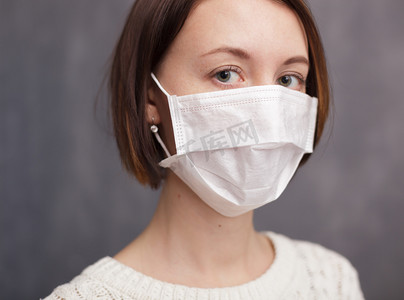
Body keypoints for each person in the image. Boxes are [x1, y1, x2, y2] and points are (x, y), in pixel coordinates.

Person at [44, 0, 365, 299]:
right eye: (226, 74)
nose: (267, 113)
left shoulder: (330, 281)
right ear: (150, 98)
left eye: (287, 79)